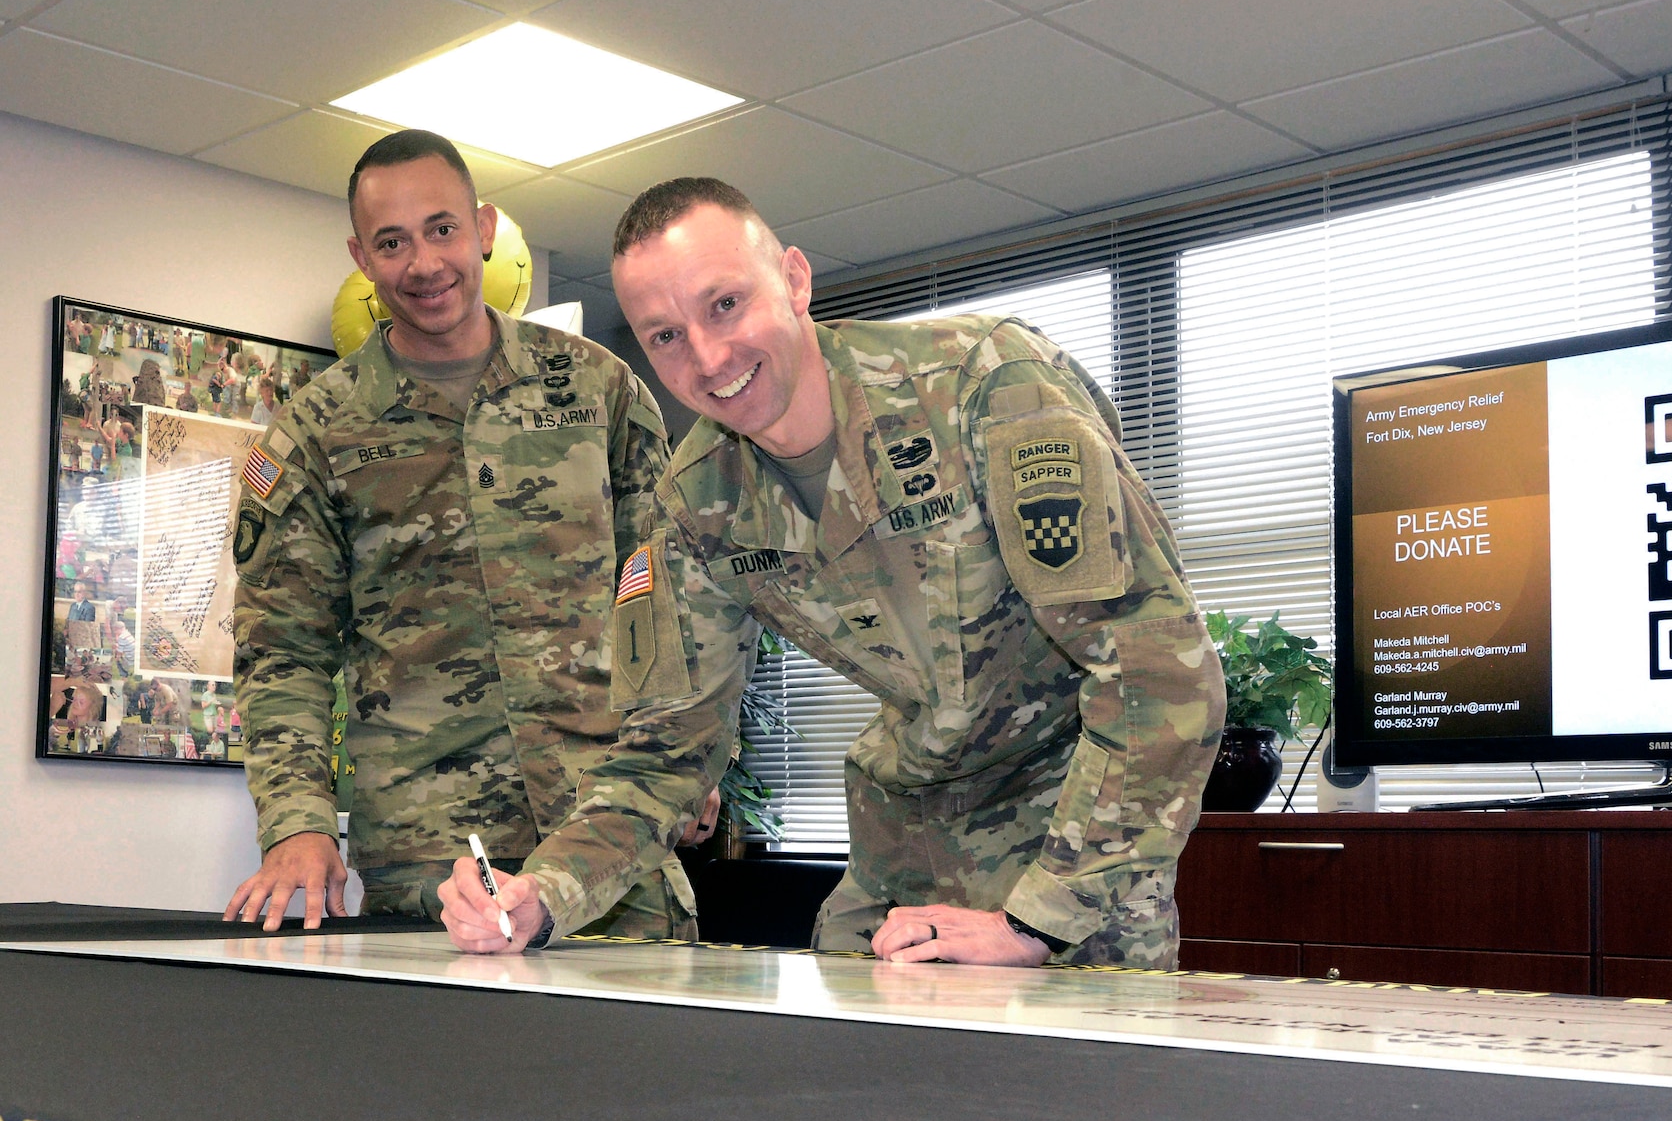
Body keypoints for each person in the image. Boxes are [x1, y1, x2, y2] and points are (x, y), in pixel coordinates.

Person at [442, 178, 1224, 969]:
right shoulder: (698, 501)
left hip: (1074, 845)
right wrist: (540, 893)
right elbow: (665, 751)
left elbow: (1157, 675)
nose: (709, 358)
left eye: (724, 305)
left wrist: (1035, 922)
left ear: (794, 279)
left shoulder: (983, 389)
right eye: (665, 336)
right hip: (901, 848)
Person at [224, 130, 716, 935]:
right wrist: (297, 821)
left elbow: (665, 593)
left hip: (609, 840)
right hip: (431, 858)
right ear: (361, 255)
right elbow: (284, 649)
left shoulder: (599, 391)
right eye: (392, 241)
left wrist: (682, 756)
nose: (423, 263)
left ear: (484, 229)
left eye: (442, 228)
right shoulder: (314, 434)